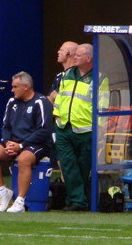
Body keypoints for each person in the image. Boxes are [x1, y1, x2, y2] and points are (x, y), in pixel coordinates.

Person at [0, 72, 52, 213]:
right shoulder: (12, 102)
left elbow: (44, 130)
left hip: (37, 144)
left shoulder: (41, 102)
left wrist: (21, 145)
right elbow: (5, 126)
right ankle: (3, 192)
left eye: (15, 87)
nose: (12, 90)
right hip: (14, 143)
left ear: (25, 86)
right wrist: (8, 143)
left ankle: (20, 201)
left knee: (23, 159)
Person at [53, 43, 109, 211]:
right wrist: (56, 115)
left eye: (78, 54)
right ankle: (77, 201)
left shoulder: (99, 78)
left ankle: (79, 201)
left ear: (88, 58)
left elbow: (103, 105)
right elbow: (60, 97)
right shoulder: (68, 74)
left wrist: (99, 127)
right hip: (64, 127)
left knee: (83, 167)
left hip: (86, 129)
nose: (74, 57)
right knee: (68, 163)